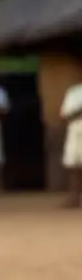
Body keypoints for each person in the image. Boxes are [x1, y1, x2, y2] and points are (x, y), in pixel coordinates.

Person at [60, 80, 82, 209]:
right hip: (75, 127)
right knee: (73, 164)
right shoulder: (74, 91)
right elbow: (64, 114)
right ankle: (74, 198)